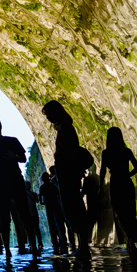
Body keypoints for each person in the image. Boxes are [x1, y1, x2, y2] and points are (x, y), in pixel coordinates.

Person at [41, 101, 93, 255]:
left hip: (68, 175)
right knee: (72, 207)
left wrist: (69, 169)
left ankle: (83, 247)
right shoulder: (64, 127)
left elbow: (70, 152)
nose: (48, 118)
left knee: (73, 208)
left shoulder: (65, 128)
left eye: (49, 114)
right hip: (67, 175)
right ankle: (82, 246)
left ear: (56, 112)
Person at [0, 116, 35, 257]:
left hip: (16, 181)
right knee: (3, 217)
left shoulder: (12, 141)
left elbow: (23, 158)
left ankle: (33, 246)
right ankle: (7, 251)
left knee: (24, 214)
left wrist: (14, 157)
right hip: (0, 186)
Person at [99, 127, 137, 255]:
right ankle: (131, 239)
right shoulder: (126, 151)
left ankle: (129, 238)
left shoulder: (106, 153)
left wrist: (101, 188)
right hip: (126, 182)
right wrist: (128, 174)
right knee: (130, 211)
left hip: (116, 183)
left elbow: (102, 172)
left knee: (120, 212)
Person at [39, 169, 67, 254]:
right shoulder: (53, 186)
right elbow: (59, 194)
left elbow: (40, 196)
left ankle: (55, 242)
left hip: (48, 206)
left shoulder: (42, 187)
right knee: (59, 222)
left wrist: (42, 202)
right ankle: (62, 240)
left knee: (51, 224)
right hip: (55, 204)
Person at [25, 181, 44, 252]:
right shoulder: (34, 194)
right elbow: (37, 201)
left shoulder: (23, 196)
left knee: (29, 229)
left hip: (28, 214)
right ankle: (40, 242)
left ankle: (31, 243)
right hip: (35, 213)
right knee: (37, 228)